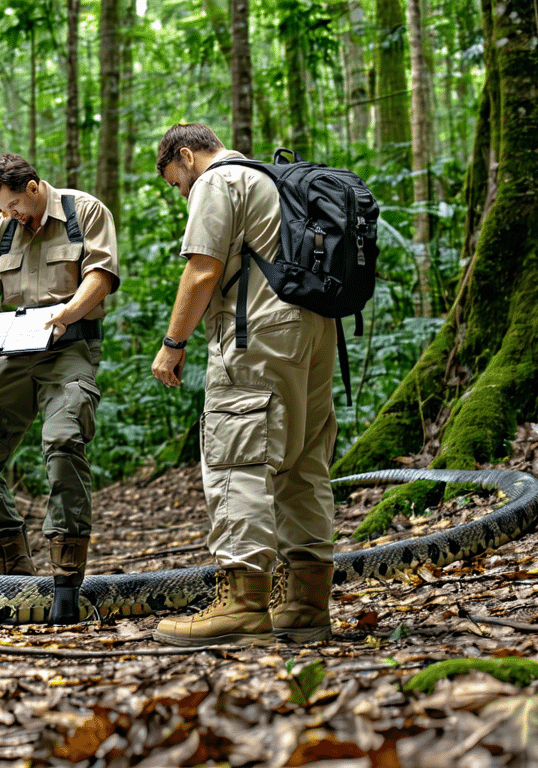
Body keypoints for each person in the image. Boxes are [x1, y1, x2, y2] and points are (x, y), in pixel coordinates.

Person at [149, 123, 338, 647]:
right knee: (302, 459)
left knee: (239, 457)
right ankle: (305, 603)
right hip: (315, 329)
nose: (182, 194)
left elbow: (202, 271)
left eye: (176, 184)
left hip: (257, 334)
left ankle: (242, 605)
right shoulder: (273, 178)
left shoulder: (218, 181)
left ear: (186, 157)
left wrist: (173, 342)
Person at [0, 153, 120, 624]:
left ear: (35, 187)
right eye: (0, 209)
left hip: (70, 348)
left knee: (63, 441)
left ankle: (66, 580)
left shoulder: (85, 212)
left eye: (13, 205)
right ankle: (15, 566)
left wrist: (65, 314)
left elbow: (100, 276)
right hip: (14, 353)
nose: (8, 216)